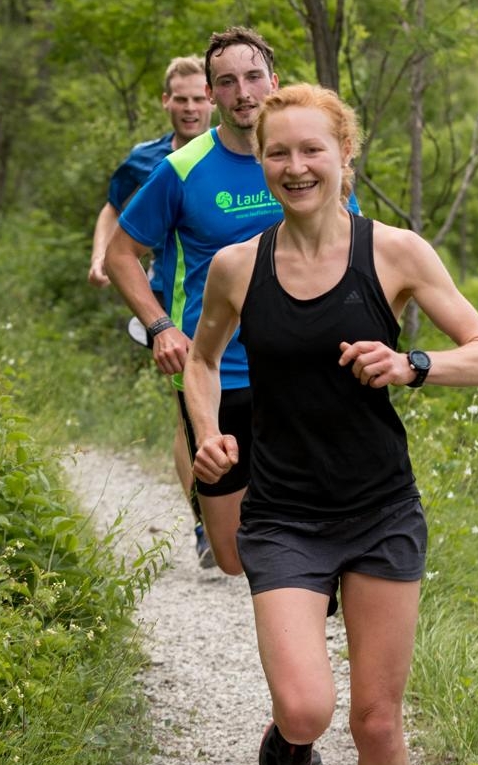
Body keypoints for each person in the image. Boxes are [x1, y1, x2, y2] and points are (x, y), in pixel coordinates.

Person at [183, 84, 478, 765]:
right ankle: (290, 732)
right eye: (278, 152)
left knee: (378, 721)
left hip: (379, 510)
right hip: (285, 510)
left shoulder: (393, 252)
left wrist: (410, 363)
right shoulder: (238, 266)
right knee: (307, 707)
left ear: (344, 158)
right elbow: (201, 361)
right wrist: (207, 431)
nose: (295, 167)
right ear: (260, 162)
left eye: (311, 151)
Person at [106, 27, 355, 581]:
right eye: (227, 81)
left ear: (273, 81)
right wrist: (161, 326)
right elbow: (121, 252)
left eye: (252, 77)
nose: (243, 91)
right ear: (212, 93)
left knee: (312, 508)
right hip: (219, 368)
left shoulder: (308, 160)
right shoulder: (181, 169)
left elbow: (353, 247)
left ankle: (312, 587)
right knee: (232, 553)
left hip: (307, 365)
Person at [87, 56, 218, 566]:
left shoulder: (243, 155)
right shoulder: (146, 161)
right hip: (168, 303)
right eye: (179, 99)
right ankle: (204, 522)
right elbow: (114, 210)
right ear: (166, 102)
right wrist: (101, 255)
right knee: (188, 410)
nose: (189, 108)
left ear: (211, 100)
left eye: (197, 98)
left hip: (230, 298)